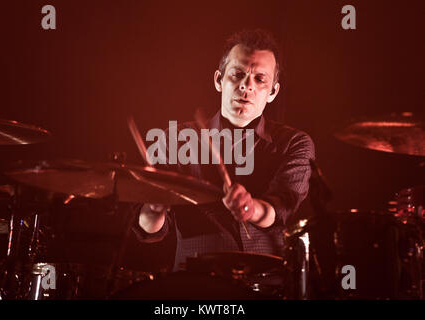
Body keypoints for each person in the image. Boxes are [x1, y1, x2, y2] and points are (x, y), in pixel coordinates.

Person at [131, 29, 315, 273]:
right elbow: (149, 232)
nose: (246, 86)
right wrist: (153, 209)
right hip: (194, 284)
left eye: (260, 79)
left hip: (265, 284)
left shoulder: (294, 143)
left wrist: (251, 208)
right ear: (219, 80)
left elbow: (281, 207)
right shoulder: (174, 139)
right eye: (237, 74)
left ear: (273, 92)